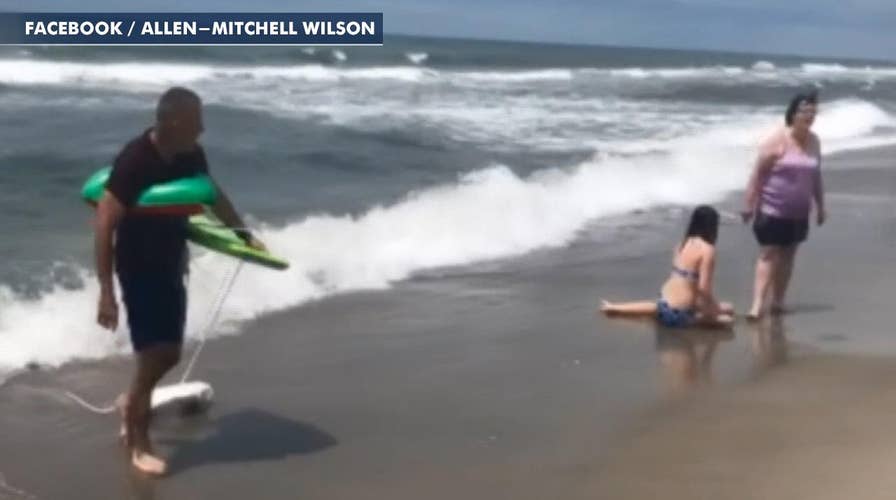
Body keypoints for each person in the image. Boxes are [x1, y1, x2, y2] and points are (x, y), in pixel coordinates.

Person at [94, 87, 265, 476]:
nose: (202, 129)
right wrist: (107, 293)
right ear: (172, 122)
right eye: (195, 121)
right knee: (159, 354)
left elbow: (212, 193)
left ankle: (133, 403)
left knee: (166, 353)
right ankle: (138, 441)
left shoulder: (189, 154)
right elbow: (105, 221)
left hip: (172, 261)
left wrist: (241, 232)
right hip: (138, 268)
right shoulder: (135, 160)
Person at [742, 91, 826, 319]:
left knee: (789, 256)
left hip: (799, 212)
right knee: (768, 254)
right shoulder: (777, 140)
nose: (810, 116)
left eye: (813, 111)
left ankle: (778, 301)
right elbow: (758, 175)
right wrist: (749, 204)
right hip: (772, 209)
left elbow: (816, 176)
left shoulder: (815, 141)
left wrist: (821, 206)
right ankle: (757, 305)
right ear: (793, 113)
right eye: (805, 111)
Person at [600, 205, 734, 329]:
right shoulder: (708, 250)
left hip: (663, 302)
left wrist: (710, 307)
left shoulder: (682, 244)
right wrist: (713, 311)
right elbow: (704, 290)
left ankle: (614, 307)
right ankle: (689, 320)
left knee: (727, 307)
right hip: (678, 315)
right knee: (727, 319)